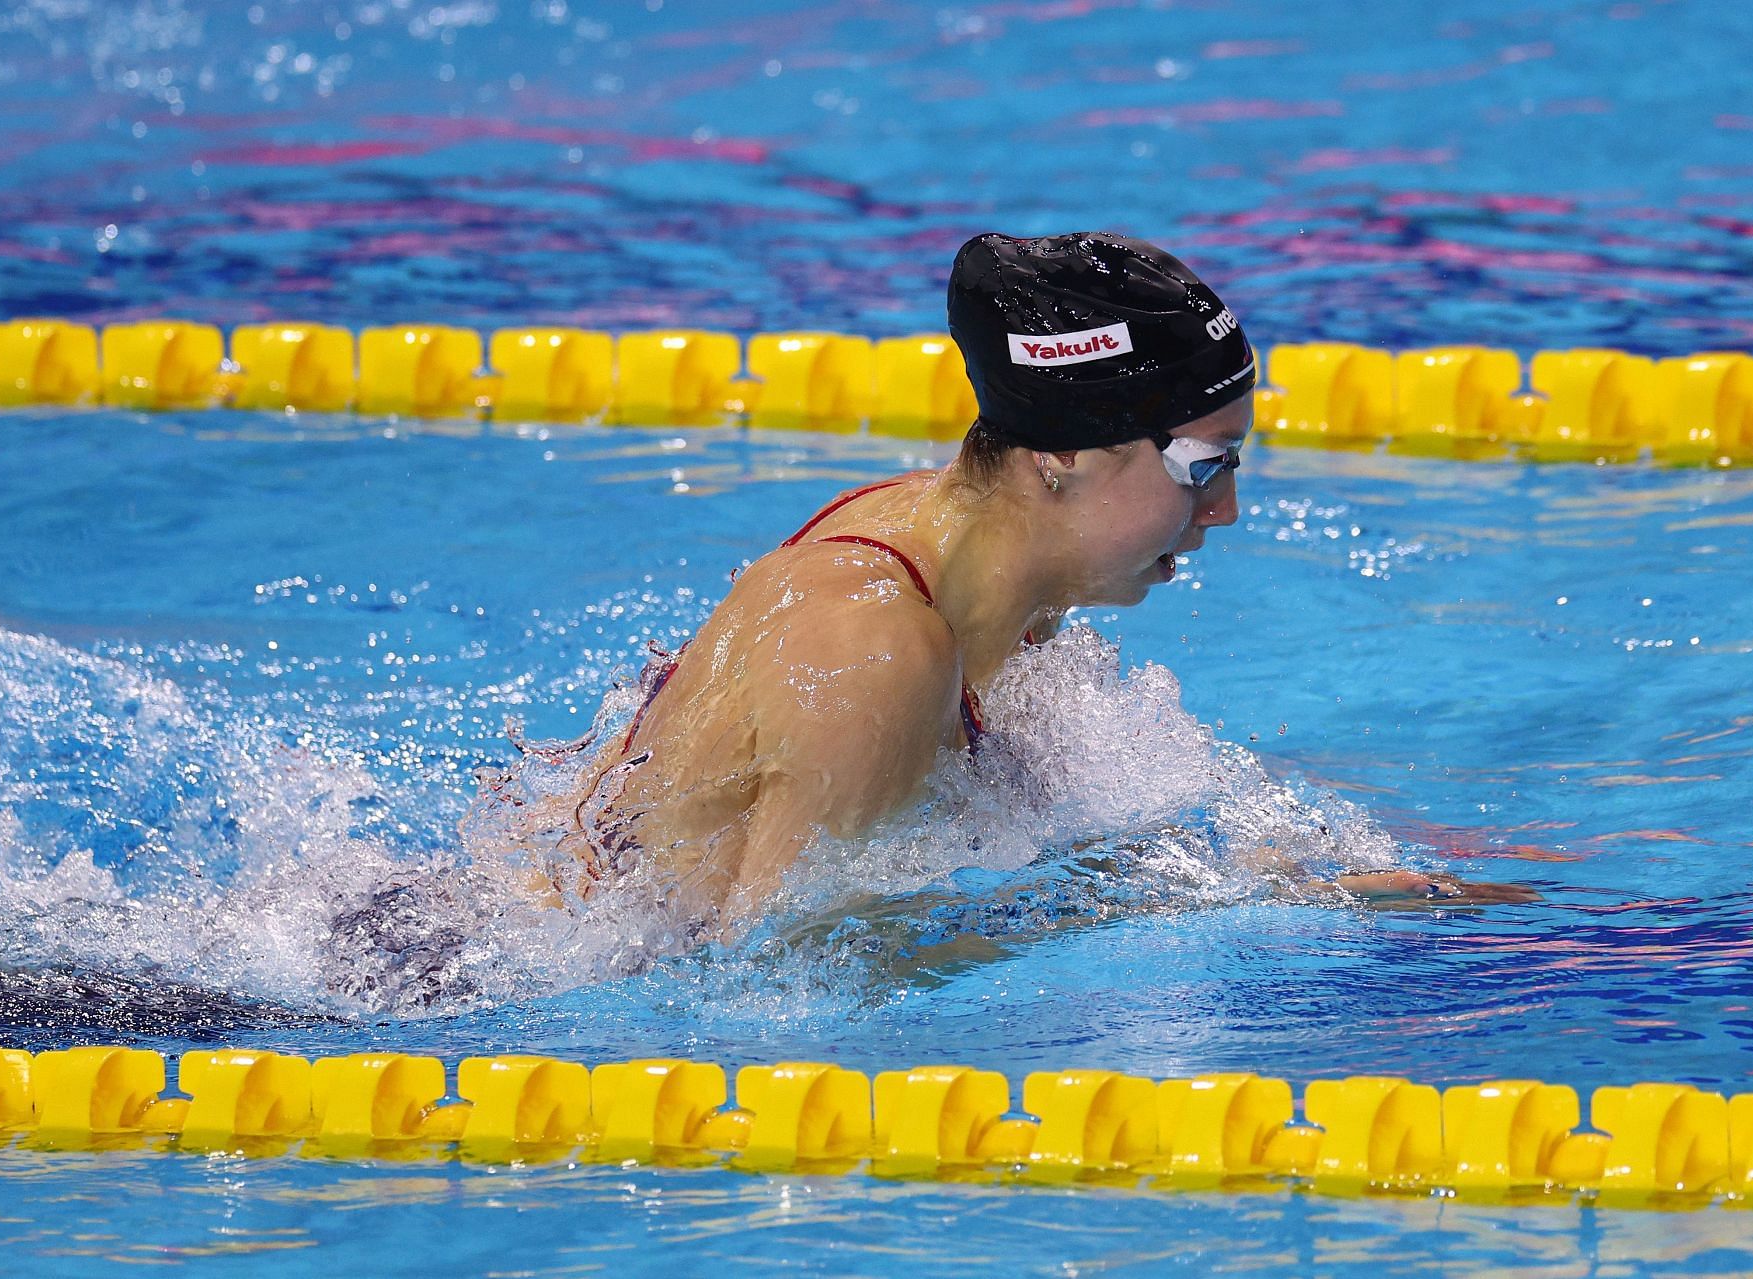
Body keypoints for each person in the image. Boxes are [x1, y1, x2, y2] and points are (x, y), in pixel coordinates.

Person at [514, 231, 1530, 925]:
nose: (1225, 512)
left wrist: (1304, 873)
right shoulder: (877, 646)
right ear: (1065, 454)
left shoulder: (983, 560)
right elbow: (771, 978)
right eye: (1204, 468)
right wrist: (1188, 905)